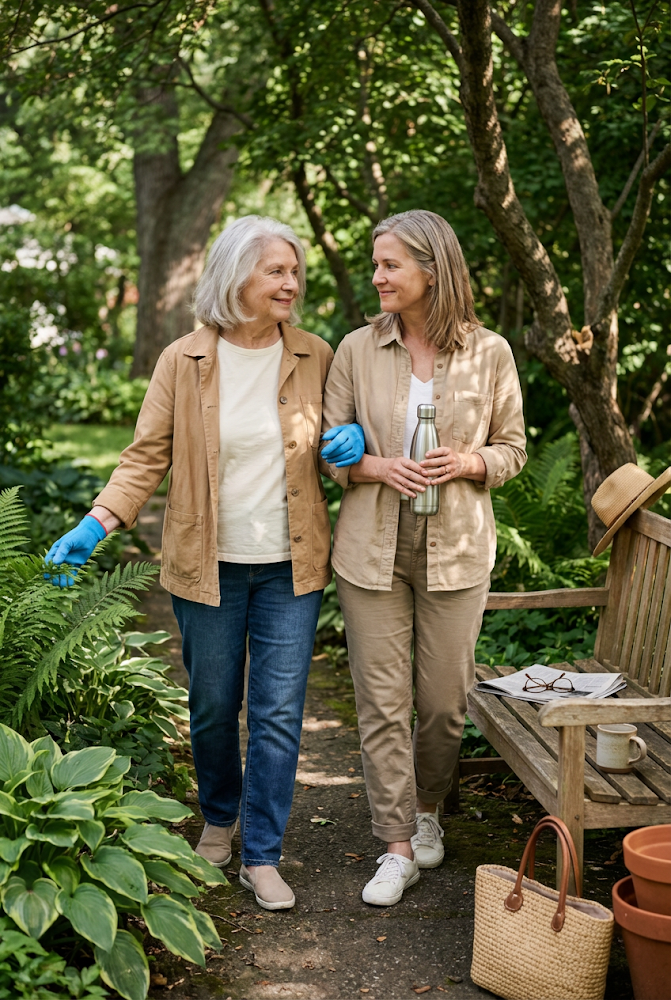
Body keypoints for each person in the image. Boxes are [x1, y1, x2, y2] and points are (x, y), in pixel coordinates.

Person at [44, 215, 364, 911]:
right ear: (235, 276)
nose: (291, 282)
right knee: (215, 708)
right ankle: (219, 820)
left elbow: (345, 436)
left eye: (293, 270)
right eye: (275, 270)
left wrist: (351, 441)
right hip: (205, 565)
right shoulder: (180, 360)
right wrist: (94, 524)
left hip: (291, 567)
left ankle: (262, 854)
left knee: (278, 713)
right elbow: (144, 458)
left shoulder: (315, 354)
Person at [321, 209, 527, 907]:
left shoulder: (488, 352)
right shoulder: (354, 348)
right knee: (381, 703)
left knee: (441, 706)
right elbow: (330, 444)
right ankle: (395, 845)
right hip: (369, 545)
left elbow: (513, 449)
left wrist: (469, 459)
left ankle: (429, 810)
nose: (376, 276)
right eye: (375, 264)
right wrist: (367, 463)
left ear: (431, 271)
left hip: (457, 547)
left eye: (389, 265)